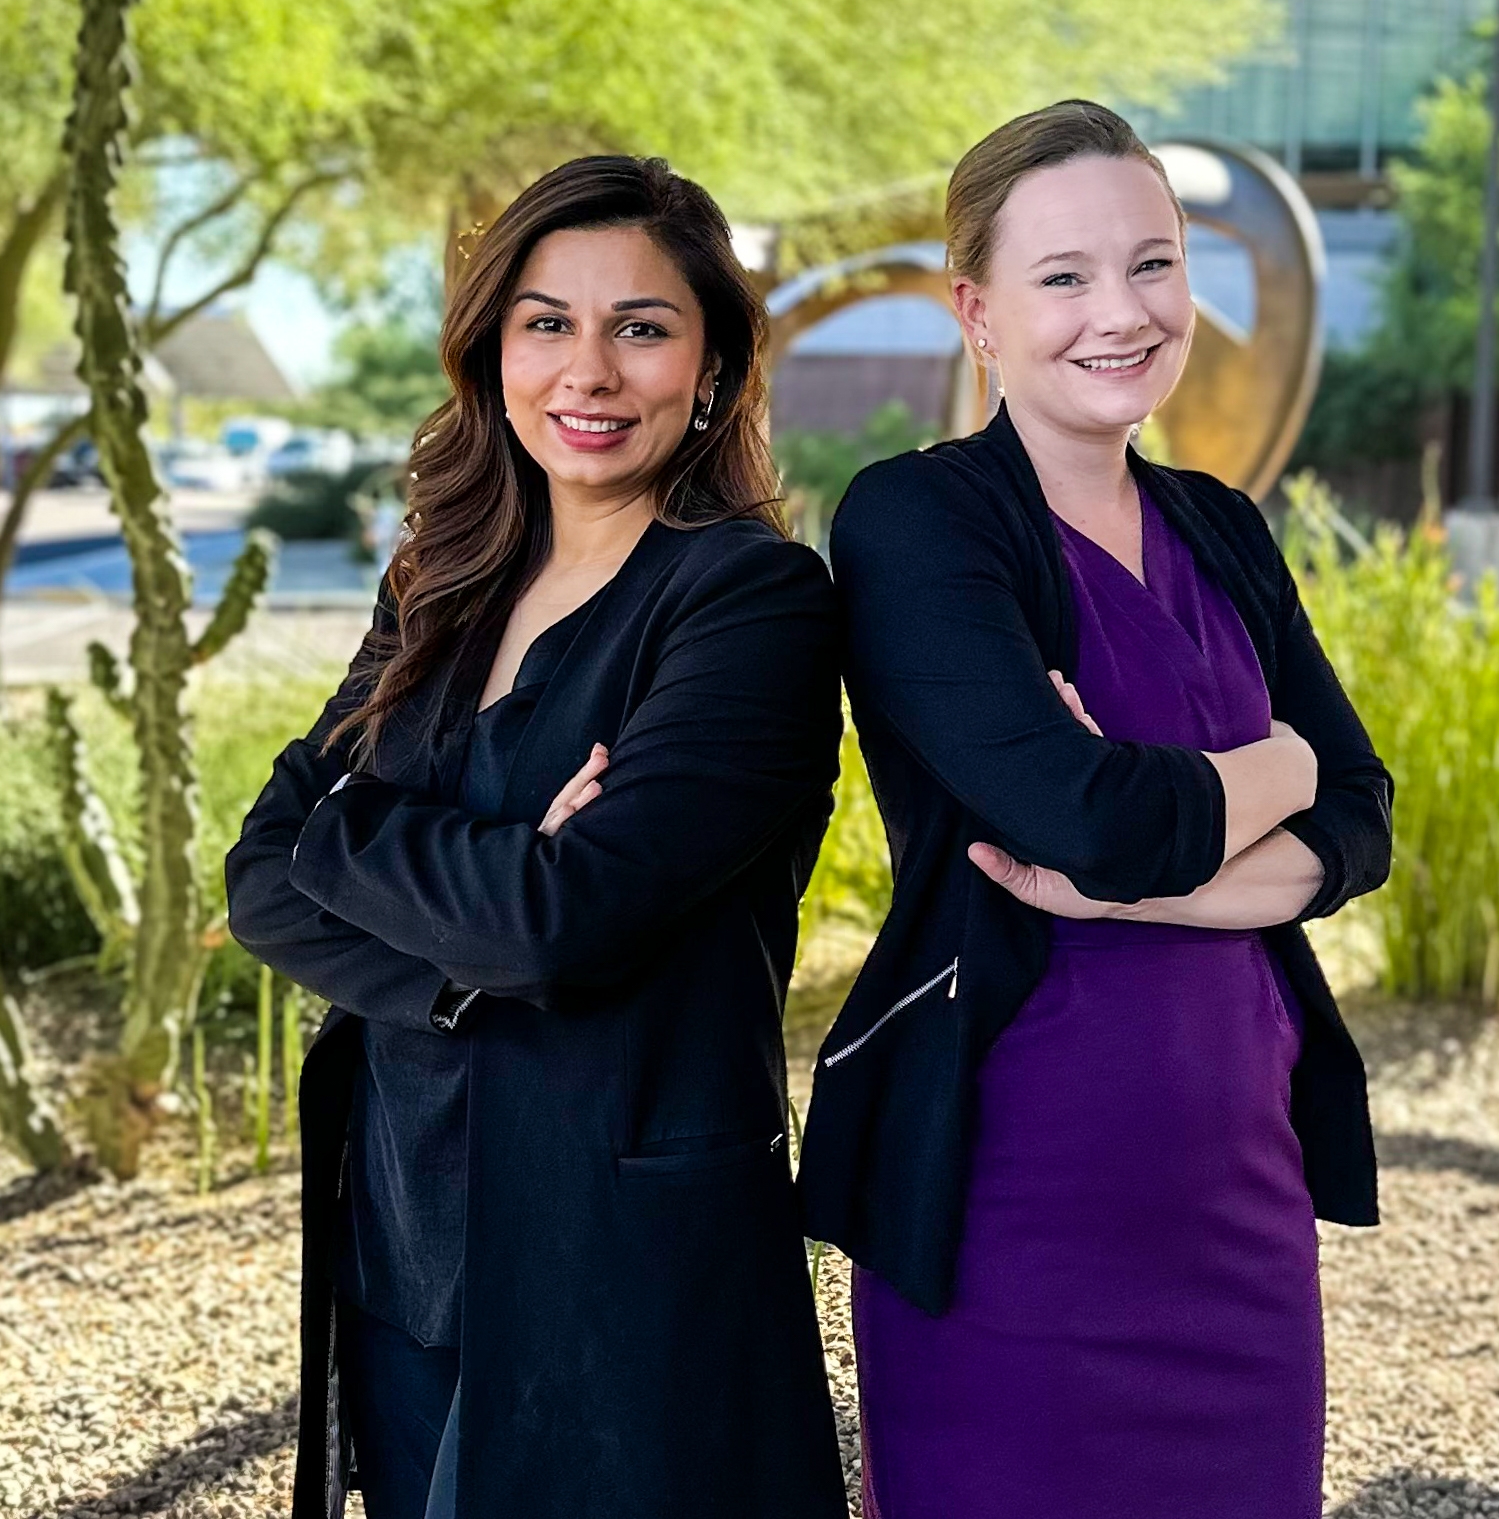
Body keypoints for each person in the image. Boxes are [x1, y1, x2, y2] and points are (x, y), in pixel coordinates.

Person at [225, 155, 849, 1519]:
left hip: (612, 1242)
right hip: (406, 1225)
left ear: (714, 368)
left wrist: (371, 837)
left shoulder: (749, 603)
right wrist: (464, 948)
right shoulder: (441, 581)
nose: (590, 370)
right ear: (492, 351)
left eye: (641, 325)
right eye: (545, 322)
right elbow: (263, 879)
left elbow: (563, 916)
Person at [797, 100, 1394, 1519]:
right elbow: (1085, 815)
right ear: (976, 310)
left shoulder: (1222, 528)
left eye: (1153, 264)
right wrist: (1276, 772)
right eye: (1061, 276)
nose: (1117, 313)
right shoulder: (914, 521)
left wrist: (1149, 870)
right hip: (1012, 1200)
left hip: (1234, 1198)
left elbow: (1357, 814)